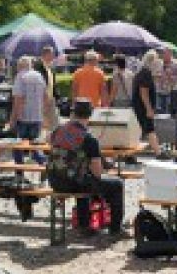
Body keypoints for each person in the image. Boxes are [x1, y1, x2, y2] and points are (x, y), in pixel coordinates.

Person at [47, 99, 127, 238]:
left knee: (83, 178)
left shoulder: (57, 131)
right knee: (116, 184)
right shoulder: (88, 138)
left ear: (73, 113)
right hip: (73, 183)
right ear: (90, 115)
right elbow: (97, 173)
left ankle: (84, 225)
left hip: (55, 180)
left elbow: (52, 144)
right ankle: (115, 228)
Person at [7, 56, 47, 163]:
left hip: (23, 117)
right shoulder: (39, 76)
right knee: (35, 147)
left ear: (19, 66)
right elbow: (45, 96)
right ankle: (44, 165)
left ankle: (19, 174)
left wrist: (12, 119)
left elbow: (18, 99)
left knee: (18, 147)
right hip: (37, 117)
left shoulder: (20, 76)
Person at [132, 50, 164, 155]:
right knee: (150, 129)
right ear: (151, 61)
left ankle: (130, 155)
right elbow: (143, 92)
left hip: (140, 107)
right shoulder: (145, 74)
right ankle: (158, 152)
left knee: (140, 131)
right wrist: (149, 109)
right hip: (142, 107)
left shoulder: (143, 73)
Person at [155, 47, 177, 113]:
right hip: (159, 91)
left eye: (165, 54)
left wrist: (170, 76)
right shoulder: (159, 64)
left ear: (170, 54)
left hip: (170, 92)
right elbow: (155, 75)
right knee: (159, 112)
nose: (163, 55)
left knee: (168, 112)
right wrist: (157, 76)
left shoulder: (176, 65)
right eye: (163, 54)